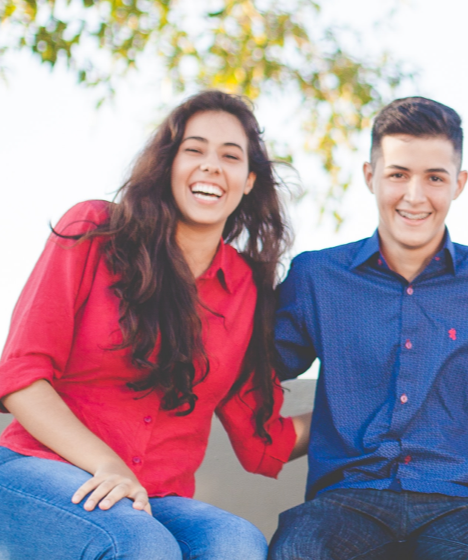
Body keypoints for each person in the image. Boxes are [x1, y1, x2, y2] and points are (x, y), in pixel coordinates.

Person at [0, 91, 309, 559]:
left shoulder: (245, 289)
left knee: (238, 545)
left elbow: (263, 440)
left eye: (229, 156)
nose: (210, 166)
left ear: (247, 181)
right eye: (194, 149)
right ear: (168, 165)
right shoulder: (94, 231)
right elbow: (21, 378)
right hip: (35, 470)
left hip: (154, 499)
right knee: (142, 545)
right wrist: (108, 464)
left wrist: (368, 407)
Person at [267, 97, 468, 560]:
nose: (415, 196)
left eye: (435, 178)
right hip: (345, 499)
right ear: (369, 176)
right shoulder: (317, 276)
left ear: (458, 184)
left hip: (464, 504)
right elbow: (248, 369)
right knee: (299, 548)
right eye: (398, 174)